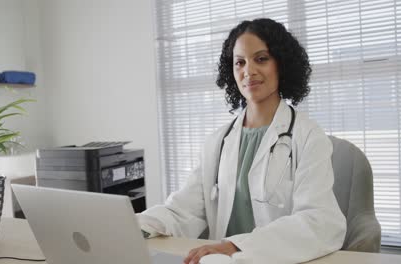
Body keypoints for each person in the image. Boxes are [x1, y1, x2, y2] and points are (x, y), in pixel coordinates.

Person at [137, 18, 346, 264]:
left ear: (282, 63)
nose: (248, 71)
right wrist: (135, 225)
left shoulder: (308, 136)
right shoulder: (218, 141)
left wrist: (236, 245)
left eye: (261, 59)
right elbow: (183, 209)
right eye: (240, 62)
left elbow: (319, 221)